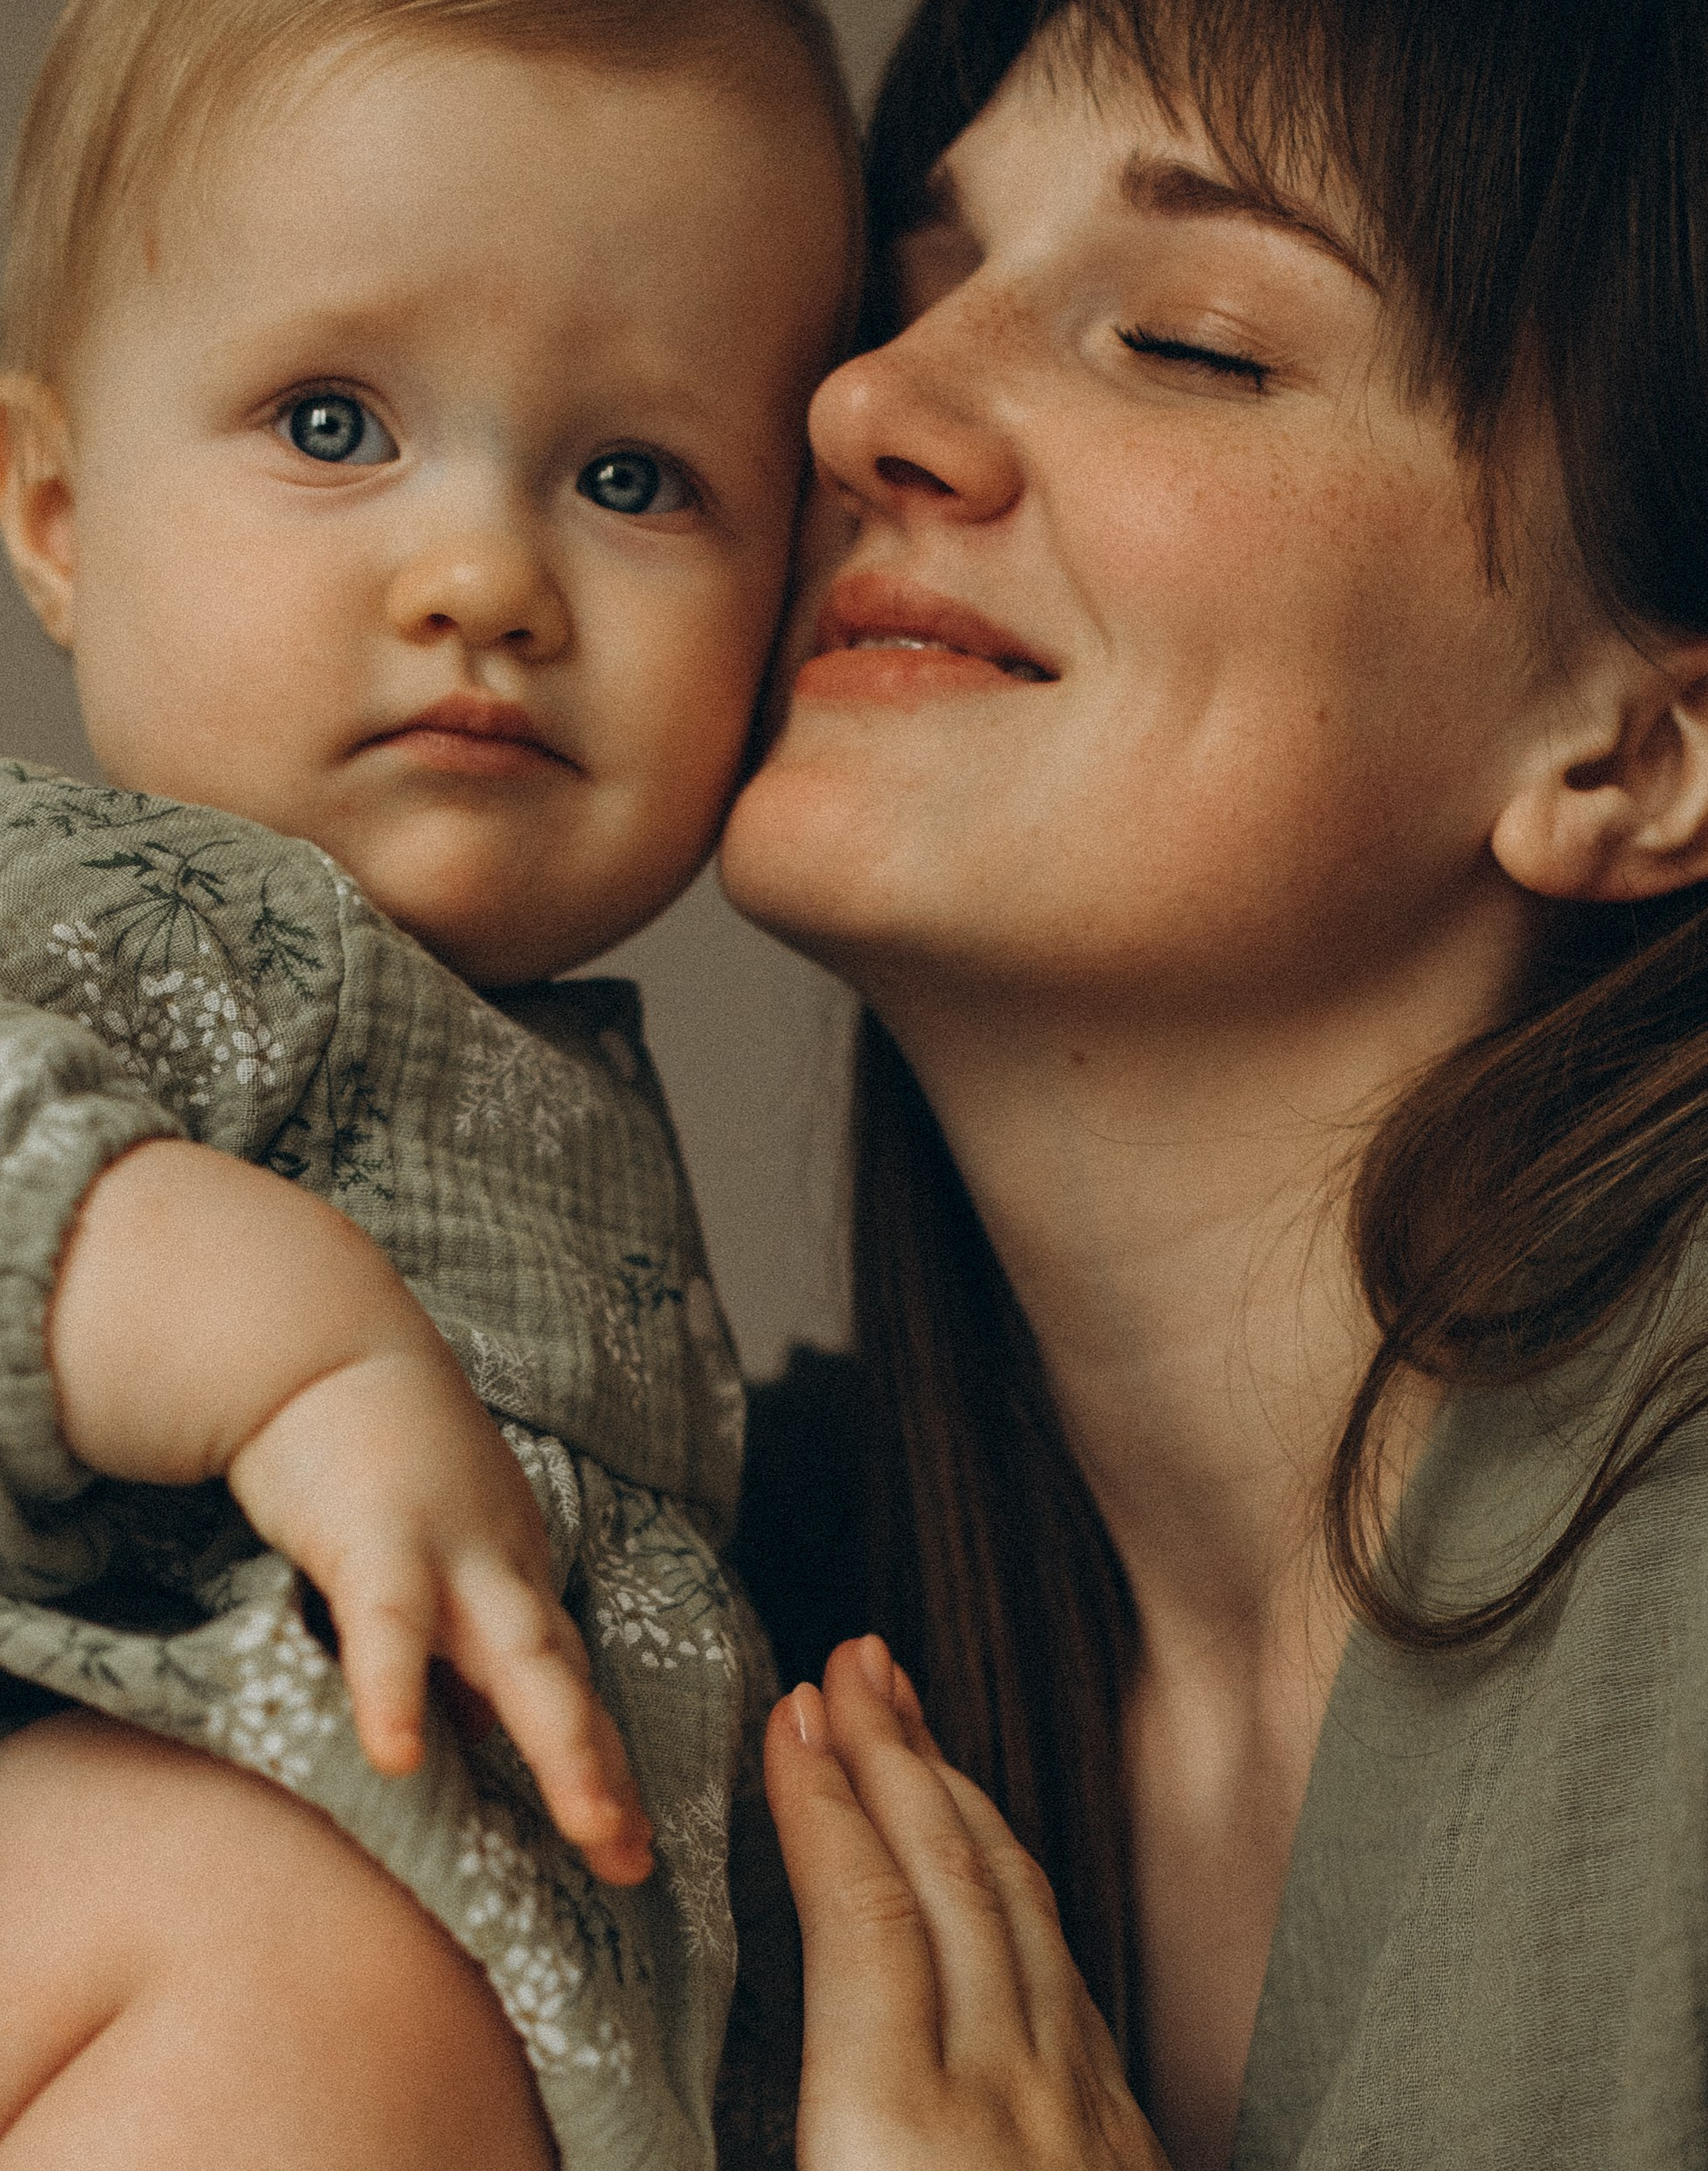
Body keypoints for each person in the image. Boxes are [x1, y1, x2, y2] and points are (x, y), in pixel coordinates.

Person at [719, 0, 1708, 2167]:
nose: (865, 402)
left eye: (1184, 340)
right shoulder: (713, 1582)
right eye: (902, 291)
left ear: (1633, 753)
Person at [0, 2, 852, 2166]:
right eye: (333, 422)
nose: (481, 581)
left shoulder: (571, 1114)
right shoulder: (80, 904)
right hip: (100, 1926)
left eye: (632, 478)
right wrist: (258, 1348)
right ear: (59, 510)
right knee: (289, 1954)